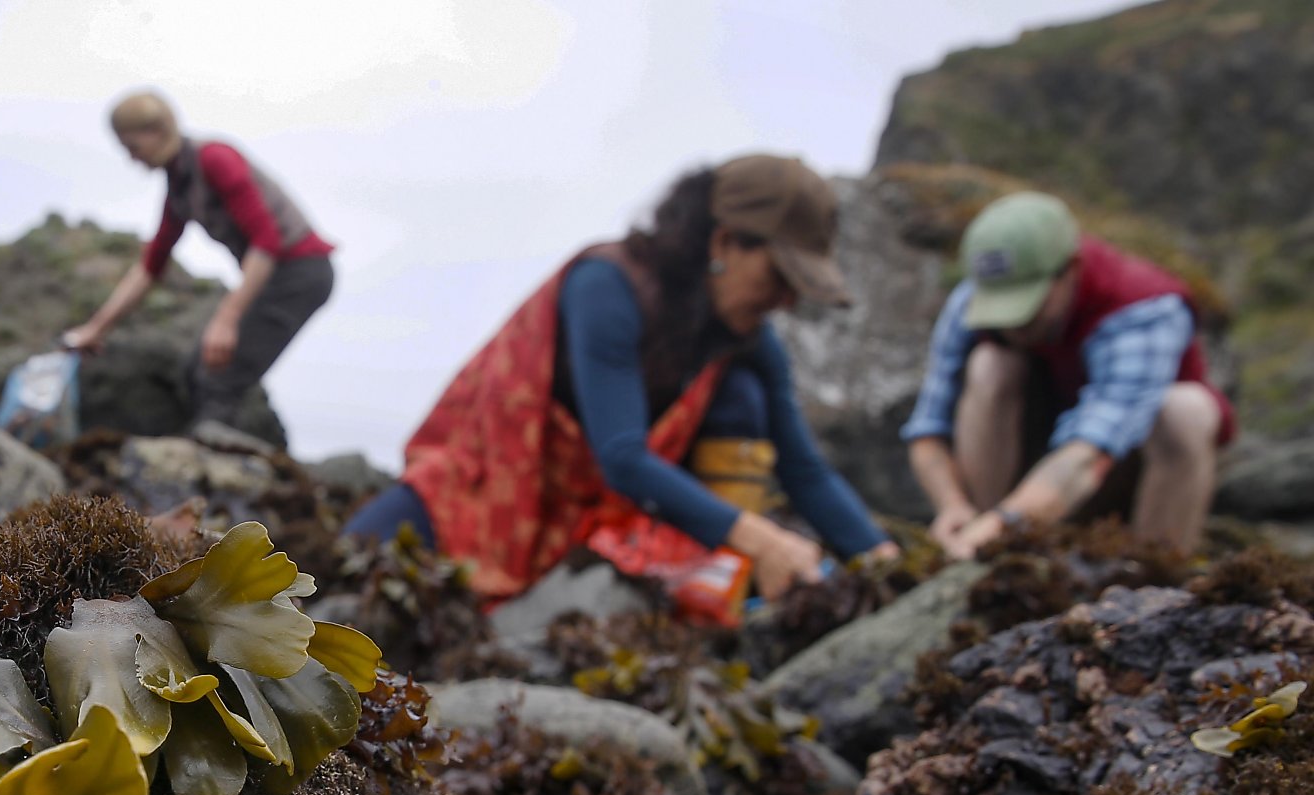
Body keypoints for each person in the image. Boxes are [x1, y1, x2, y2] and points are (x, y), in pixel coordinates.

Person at [345, 155, 894, 620]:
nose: (787, 302)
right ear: (724, 242)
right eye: (780, 277)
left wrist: (883, 563)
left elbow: (803, 470)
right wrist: (765, 541)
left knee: (742, 397)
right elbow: (623, 458)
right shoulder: (609, 286)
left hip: (603, 519)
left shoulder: (746, 341)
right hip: (490, 481)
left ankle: (714, 599)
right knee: (347, 573)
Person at [903, 191, 1235, 559]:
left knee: (1186, 413)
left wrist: (1005, 522)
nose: (1013, 325)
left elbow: (1089, 454)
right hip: (1031, 467)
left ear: (1070, 269)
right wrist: (951, 504)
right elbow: (927, 429)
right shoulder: (974, 296)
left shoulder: (1143, 307)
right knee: (990, 363)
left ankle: (1152, 573)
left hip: (1121, 470)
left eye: (1028, 305)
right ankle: (980, 542)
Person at [64, 90, 335, 437]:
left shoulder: (215, 160)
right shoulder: (180, 184)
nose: (133, 159)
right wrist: (96, 329)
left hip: (300, 273)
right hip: (272, 276)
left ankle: (220, 473)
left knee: (218, 376)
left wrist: (227, 318)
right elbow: (151, 266)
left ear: (158, 131)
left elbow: (268, 240)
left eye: (133, 147)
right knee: (195, 372)